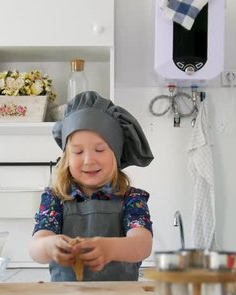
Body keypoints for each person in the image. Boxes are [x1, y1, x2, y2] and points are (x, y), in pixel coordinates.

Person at [30, 91, 154, 281]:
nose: (88, 160)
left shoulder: (131, 199)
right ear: (66, 158)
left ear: (116, 153)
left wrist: (109, 249)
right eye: (78, 152)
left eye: (100, 150)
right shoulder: (56, 198)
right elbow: (35, 249)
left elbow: (142, 244)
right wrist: (49, 246)